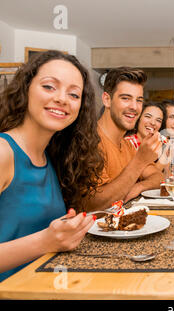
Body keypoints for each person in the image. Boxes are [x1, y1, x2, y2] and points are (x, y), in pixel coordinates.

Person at [0, 50, 104, 281]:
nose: (62, 99)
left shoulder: (52, 157)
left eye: (74, 94)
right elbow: (44, 240)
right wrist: (45, 241)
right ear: (25, 89)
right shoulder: (3, 152)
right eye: (49, 87)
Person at [87, 67, 163, 209]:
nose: (134, 107)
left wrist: (138, 187)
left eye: (139, 100)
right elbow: (95, 204)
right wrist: (139, 161)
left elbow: (158, 177)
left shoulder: (127, 145)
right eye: (125, 98)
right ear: (107, 100)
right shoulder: (89, 141)